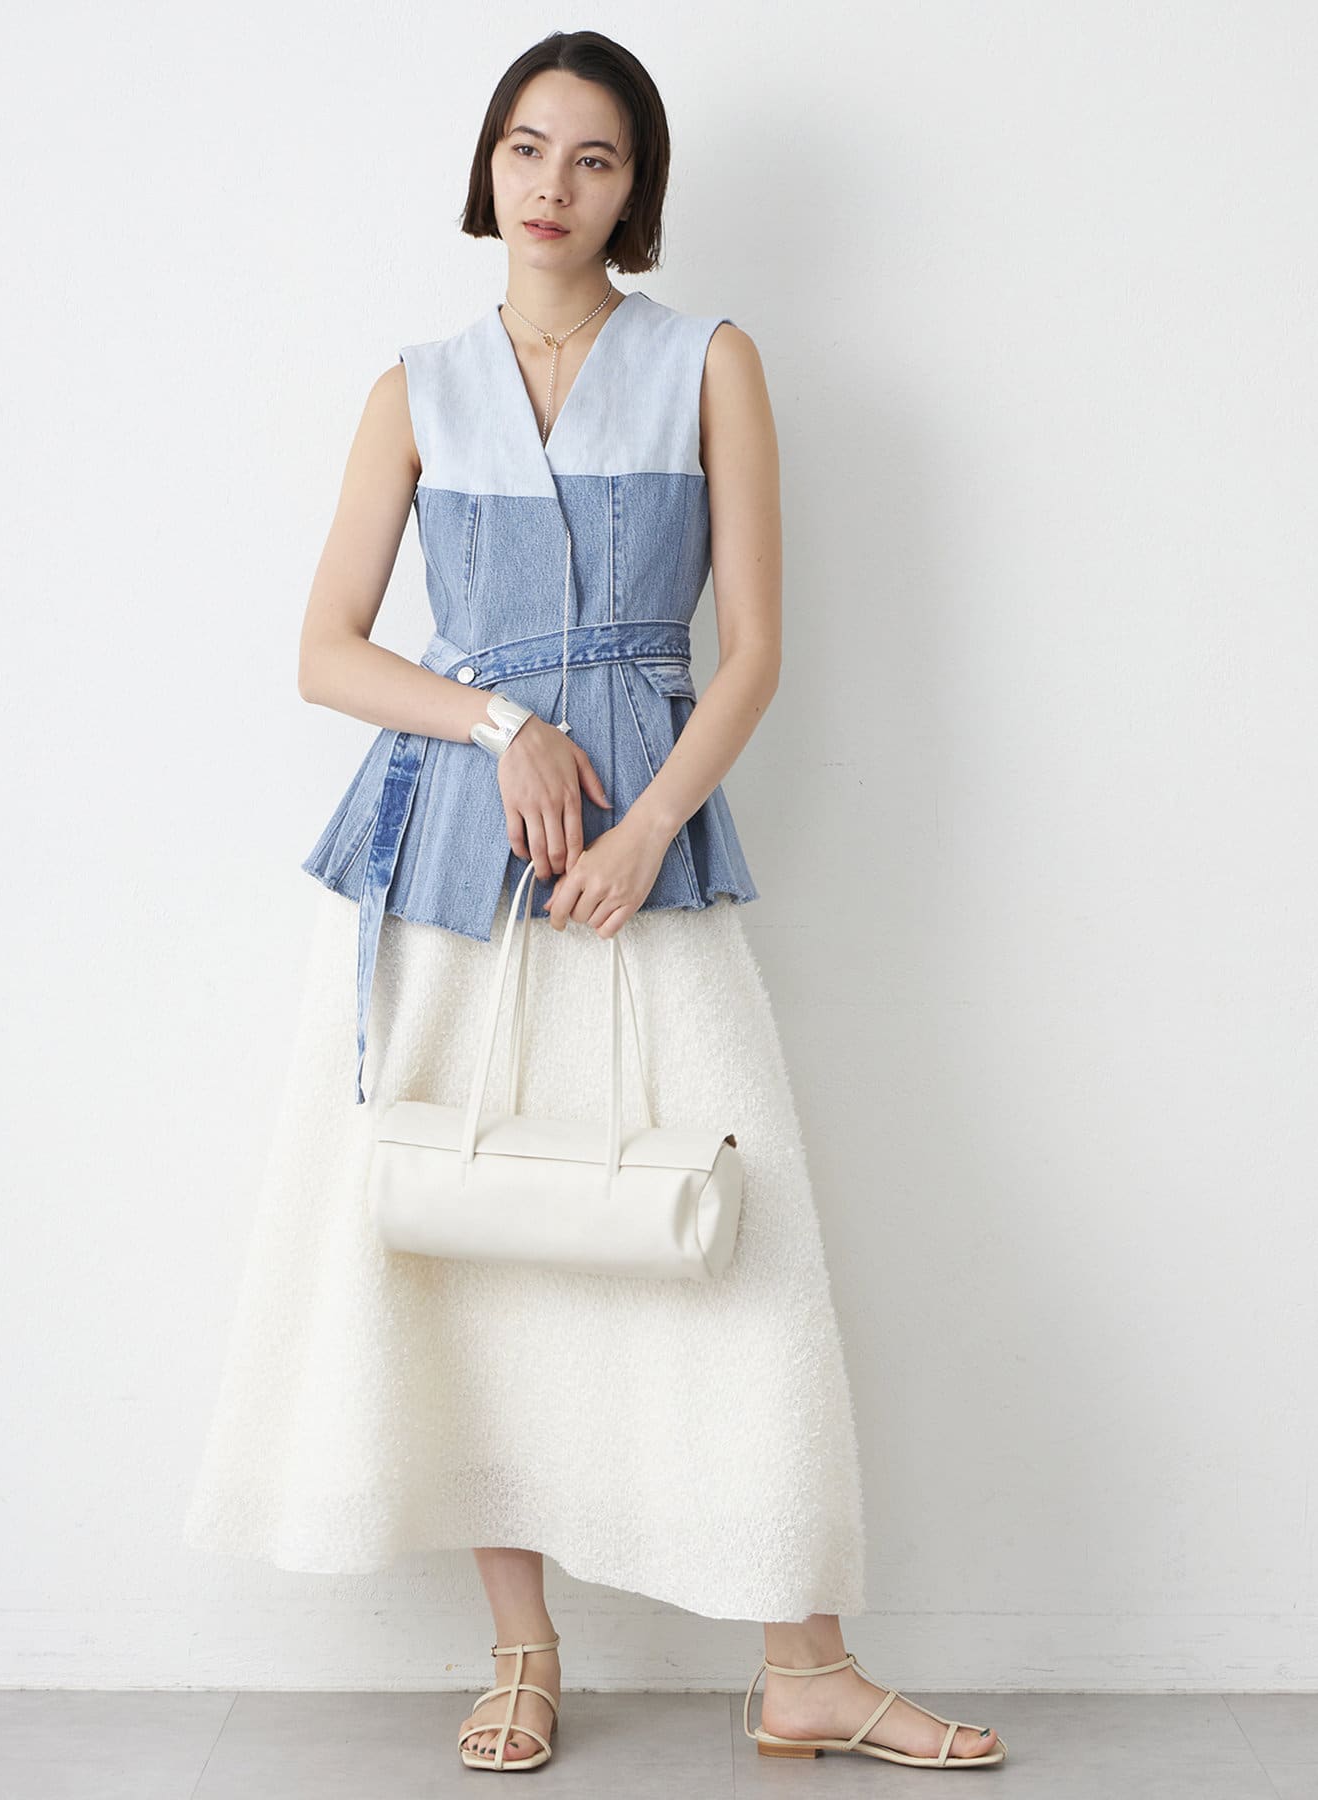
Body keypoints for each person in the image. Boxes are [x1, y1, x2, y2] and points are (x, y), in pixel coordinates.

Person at [182, 28, 1006, 1776]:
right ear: (486, 167)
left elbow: (754, 647)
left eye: (595, 159)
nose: (553, 188)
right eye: (527, 149)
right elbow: (327, 652)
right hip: (445, 870)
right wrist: (503, 725)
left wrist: (650, 828)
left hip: (648, 858)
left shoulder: (709, 361)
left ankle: (805, 1664)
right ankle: (521, 1646)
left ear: (637, 190)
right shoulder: (413, 388)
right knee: (463, 1234)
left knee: (734, 1230)